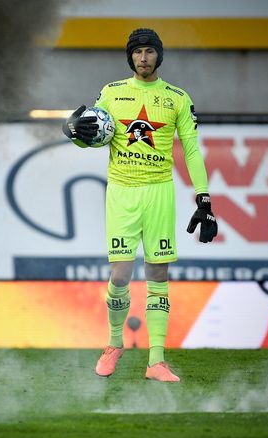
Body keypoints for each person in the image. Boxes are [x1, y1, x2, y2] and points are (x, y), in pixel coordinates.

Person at [62, 28, 217, 382]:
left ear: (158, 56)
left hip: (159, 193)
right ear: (130, 57)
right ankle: (114, 343)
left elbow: (191, 150)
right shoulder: (111, 93)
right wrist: (76, 135)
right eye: (137, 52)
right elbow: (93, 134)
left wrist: (204, 199)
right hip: (122, 192)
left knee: (158, 275)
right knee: (120, 275)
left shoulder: (177, 98)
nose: (143, 58)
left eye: (149, 51)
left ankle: (156, 361)